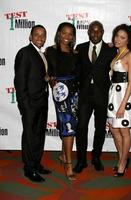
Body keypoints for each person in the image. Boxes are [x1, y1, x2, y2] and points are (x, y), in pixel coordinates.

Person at [73, 21, 117, 173]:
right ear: (88, 32)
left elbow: (120, 67)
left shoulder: (111, 50)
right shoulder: (80, 48)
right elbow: (74, 69)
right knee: (81, 127)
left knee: (99, 128)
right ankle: (81, 160)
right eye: (93, 31)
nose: (95, 34)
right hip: (84, 95)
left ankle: (96, 157)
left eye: (98, 31)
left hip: (102, 95)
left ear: (103, 32)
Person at [14, 25, 51, 183]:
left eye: (43, 35)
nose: (40, 38)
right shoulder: (25, 53)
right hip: (30, 104)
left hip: (42, 101)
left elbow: (38, 75)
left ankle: (36, 163)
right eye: (37, 34)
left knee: (39, 134)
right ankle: (29, 168)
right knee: (30, 136)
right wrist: (24, 105)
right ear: (30, 36)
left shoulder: (42, 54)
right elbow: (19, 81)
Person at [107, 24, 131, 177]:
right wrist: (110, 45)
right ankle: (123, 158)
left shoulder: (130, 56)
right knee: (114, 130)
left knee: (124, 131)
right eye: (117, 36)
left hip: (124, 97)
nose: (118, 39)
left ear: (129, 40)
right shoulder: (117, 53)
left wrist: (123, 106)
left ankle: (122, 163)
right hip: (113, 94)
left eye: (122, 37)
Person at [45, 22, 79, 180]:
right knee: (68, 125)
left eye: (70, 33)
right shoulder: (50, 51)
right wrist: (50, 79)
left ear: (73, 36)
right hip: (61, 91)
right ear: (59, 34)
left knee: (70, 124)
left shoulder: (75, 53)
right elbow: (47, 72)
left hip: (74, 91)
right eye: (64, 33)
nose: (67, 36)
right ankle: (69, 164)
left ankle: (64, 156)